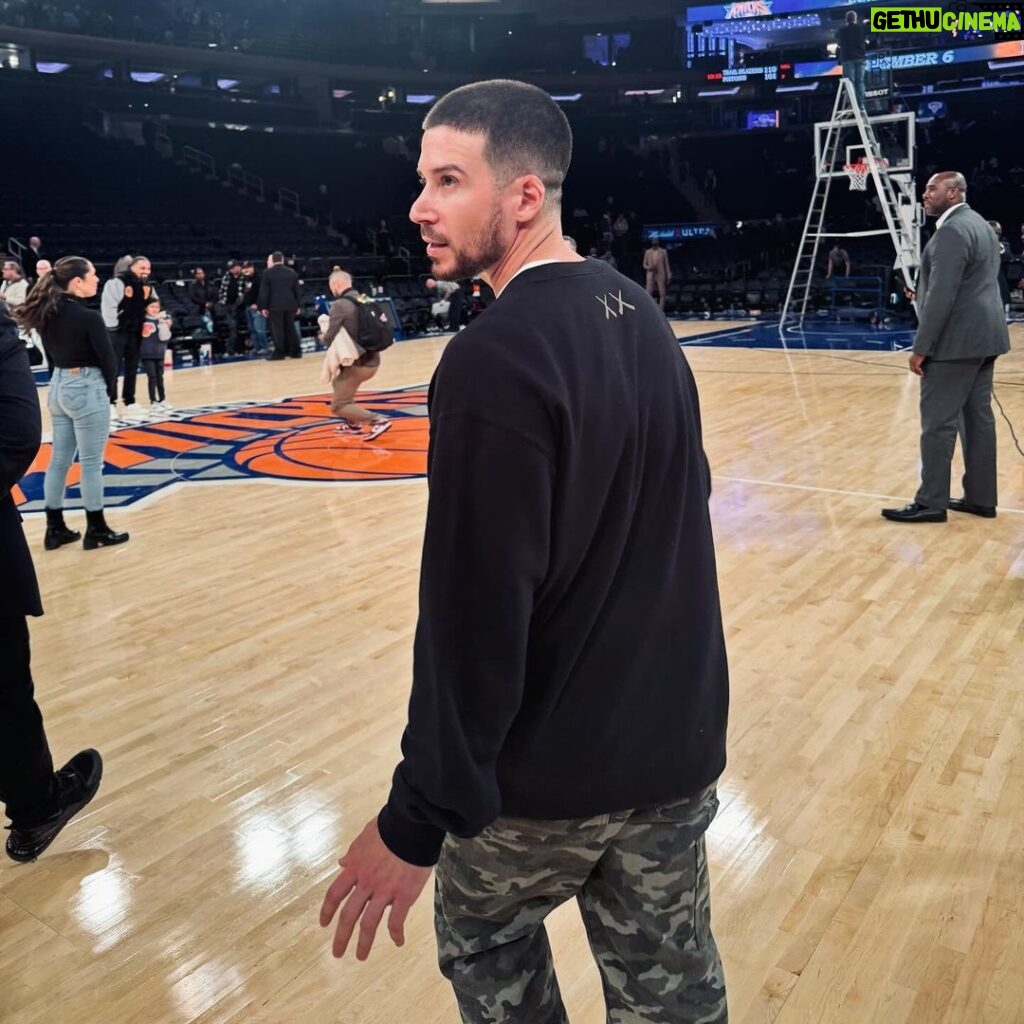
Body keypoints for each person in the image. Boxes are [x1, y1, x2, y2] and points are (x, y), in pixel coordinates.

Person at [319, 79, 730, 1024]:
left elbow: (473, 617)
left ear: (525, 199)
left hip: (545, 786)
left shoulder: (495, 358)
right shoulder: (645, 319)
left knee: (487, 939)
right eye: (421, 181)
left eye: (449, 180)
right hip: (674, 761)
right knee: (674, 999)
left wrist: (415, 817)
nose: (419, 206)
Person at [0, 299, 103, 862]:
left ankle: (66, 524)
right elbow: (15, 436)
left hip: (65, 389)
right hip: (80, 390)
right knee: (5, 689)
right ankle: (36, 810)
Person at [882, 172, 1011, 523]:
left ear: (953, 193)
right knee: (977, 420)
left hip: (956, 343)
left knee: (938, 424)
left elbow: (943, 296)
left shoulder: (952, 231)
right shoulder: (982, 225)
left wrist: (921, 347)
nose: (925, 194)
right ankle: (981, 498)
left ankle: (930, 502)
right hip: (986, 338)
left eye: (932, 189)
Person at [15, 257, 129, 549]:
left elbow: (53, 358)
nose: (96, 280)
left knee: (59, 461)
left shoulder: (46, 313)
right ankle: (97, 529)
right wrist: (110, 393)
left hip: (58, 386)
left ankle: (55, 529)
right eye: (92, 275)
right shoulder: (88, 317)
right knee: (91, 464)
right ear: (76, 282)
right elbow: (108, 360)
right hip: (86, 386)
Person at [318, 270, 391, 440]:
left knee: (338, 405)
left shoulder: (340, 305)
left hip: (358, 364)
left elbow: (329, 337)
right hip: (374, 359)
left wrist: (321, 336)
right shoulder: (364, 299)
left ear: (335, 285)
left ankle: (377, 421)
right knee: (338, 383)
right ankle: (353, 423)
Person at [100, 254, 157, 421]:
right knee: (113, 368)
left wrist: (157, 319)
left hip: (136, 332)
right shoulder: (117, 282)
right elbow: (108, 306)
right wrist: (113, 327)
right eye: (142, 268)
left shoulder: (147, 286)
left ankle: (130, 401)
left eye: (148, 269)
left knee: (132, 368)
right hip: (117, 332)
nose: (146, 271)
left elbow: (154, 305)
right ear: (132, 267)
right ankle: (109, 403)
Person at [258, 251, 302, 360]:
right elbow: (297, 290)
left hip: (275, 305)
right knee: (290, 328)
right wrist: (298, 305)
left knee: (278, 329)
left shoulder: (267, 273)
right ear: (282, 260)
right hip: (290, 304)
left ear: (273, 260)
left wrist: (263, 306)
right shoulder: (291, 272)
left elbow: (264, 291)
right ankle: (295, 352)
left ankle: (280, 352)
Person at [140, 296, 173, 415]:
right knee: (152, 377)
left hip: (159, 353)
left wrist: (163, 324)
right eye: (152, 306)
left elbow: (165, 337)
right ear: (146, 308)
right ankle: (153, 401)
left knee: (160, 377)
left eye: (157, 307)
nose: (154, 309)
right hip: (146, 353)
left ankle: (162, 399)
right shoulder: (142, 321)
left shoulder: (162, 320)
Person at [837, 11, 869, 107]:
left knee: (850, 82)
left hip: (848, 59)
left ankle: (852, 103)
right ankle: (860, 104)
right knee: (860, 81)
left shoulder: (842, 30)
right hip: (860, 58)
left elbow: (837, 40)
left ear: (846, 20)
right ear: (855, 19)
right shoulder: (862, 28)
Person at [642, 235, 671, 311]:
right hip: (651, 274)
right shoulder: (648, 252)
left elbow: (666, 264)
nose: (655, 241)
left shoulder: (663, 251)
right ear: (651, 242)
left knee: (662, 293)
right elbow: (644, 264)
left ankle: (661, 309)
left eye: (656, 240)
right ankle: (649, 309)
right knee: (648, 293)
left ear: (658, 241)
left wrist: (668, 274)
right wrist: (649, 268)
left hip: (660, 274)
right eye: (653, 240)